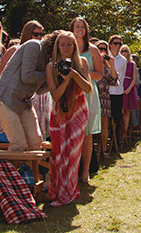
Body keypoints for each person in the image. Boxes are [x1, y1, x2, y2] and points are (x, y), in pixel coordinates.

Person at [46, 31, 92, 206]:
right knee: (58, 153)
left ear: (75, 46)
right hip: (59, 112)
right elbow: (56, 95)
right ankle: (57, 192)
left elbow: (87, 89)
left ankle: (69, 192)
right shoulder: (51, 66)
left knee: (72, 154)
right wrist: (65, 80)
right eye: (63, 44)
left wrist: (74, 75)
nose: (66, 48)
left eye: (70, 44)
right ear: (57, 46)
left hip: (78, 112)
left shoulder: (82, 63)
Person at [0, 29, 56, 151]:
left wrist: (56, 80)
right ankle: (3, 170)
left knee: (36, 144)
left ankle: (30, 170)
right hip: (4, 99)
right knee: (18, 144)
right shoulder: (34, 45)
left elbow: (39, 90)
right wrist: (49, 74)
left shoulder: (48, 59)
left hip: (24, 102)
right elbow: (27, 76)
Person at [70, 17, 102, 182]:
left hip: (88, 92)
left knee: (86, 133)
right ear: (72, 29)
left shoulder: (93, 50)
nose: (80, 29)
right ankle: (71, 170)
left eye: (82, 26)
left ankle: (85, 171)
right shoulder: (67, 47)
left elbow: (100, 74)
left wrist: (84, 73)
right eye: (77, 26)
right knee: (71, 132)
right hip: (70, 93)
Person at [95, 40, 117, 158]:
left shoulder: (107, 66)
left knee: (104, 124)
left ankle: (103, 150)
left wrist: (112, 64)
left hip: (104, 97)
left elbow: (114, 81)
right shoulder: (92, 62)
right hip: (93, 95)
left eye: (104, 49)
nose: (102, 51)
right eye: (100, 48)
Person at [108, 34, 127, 151]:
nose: (117, 46)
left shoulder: (123, 60)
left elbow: (120, 78)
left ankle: (114, 144)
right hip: (106, 91)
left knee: (116, 118)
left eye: (119, 44)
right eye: (115, 43)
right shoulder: (104, 56)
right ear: (110, 44)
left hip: (118, 92)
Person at [120, 44, 138, 141]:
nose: (124, 53)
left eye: (126, 51)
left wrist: (129, 88)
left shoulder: (132, 64)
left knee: (127, 111)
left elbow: (134, 78)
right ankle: (118, 132)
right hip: (119, 87)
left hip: (129, 88)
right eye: (122, 51)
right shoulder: (118, 62)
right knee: (120, 111)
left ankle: (124, 133)